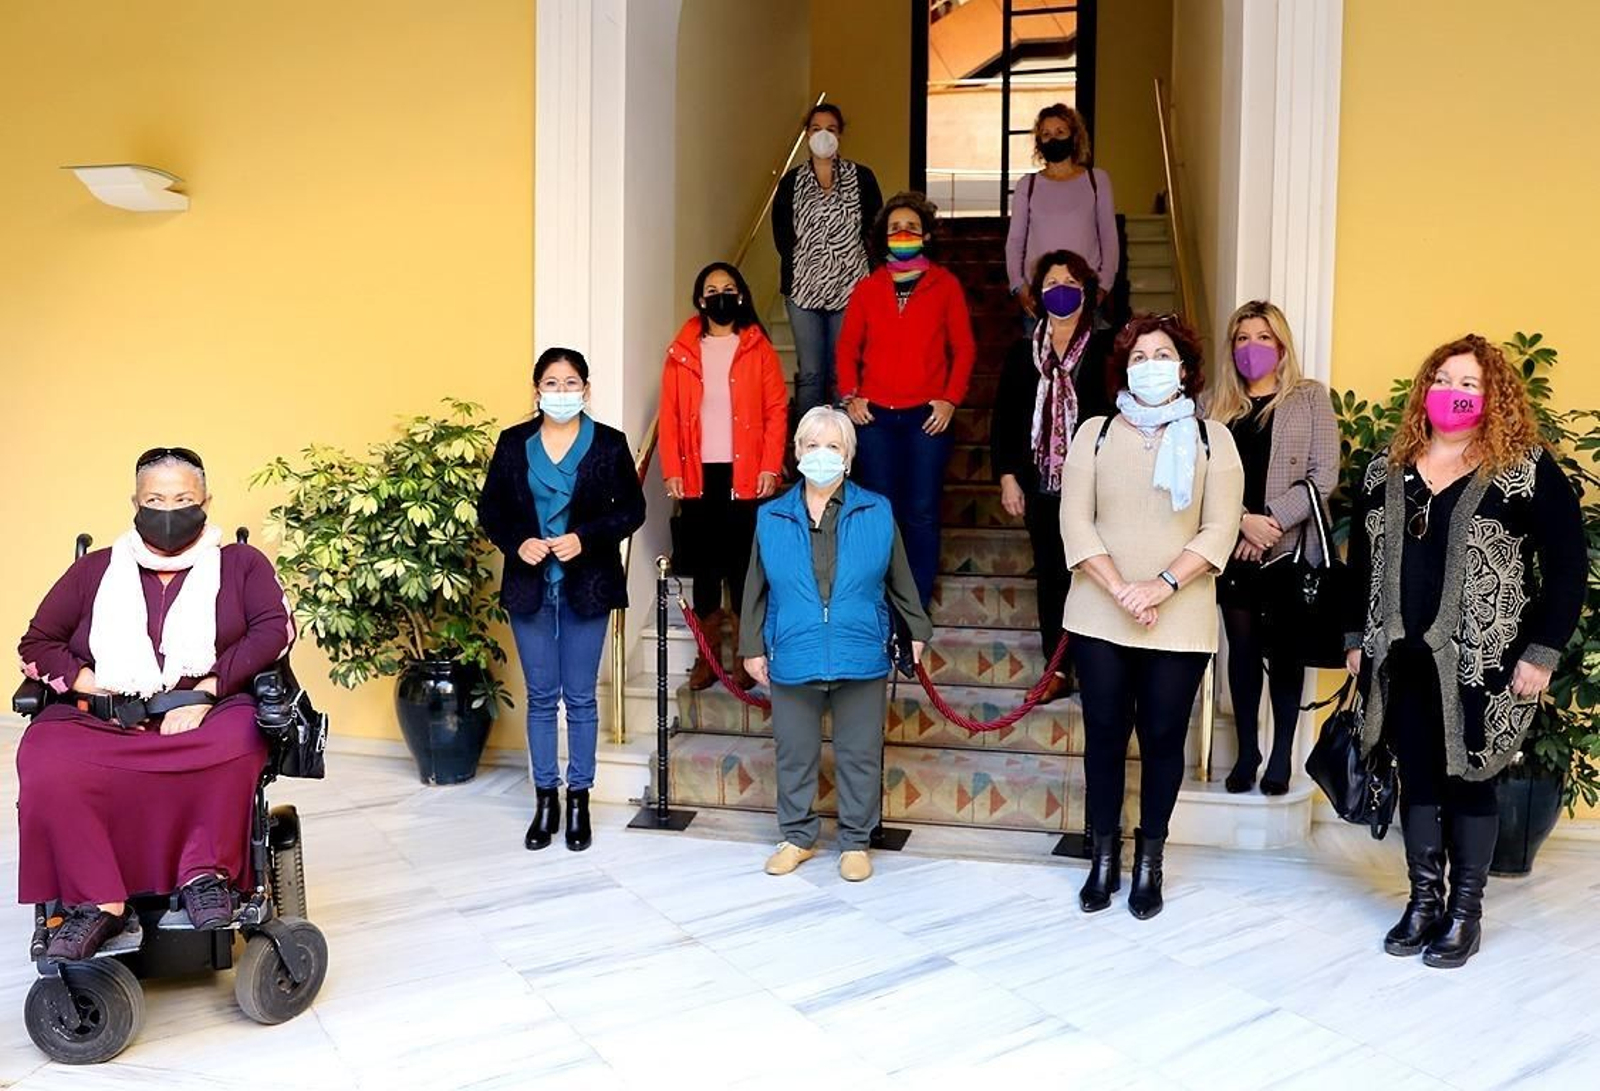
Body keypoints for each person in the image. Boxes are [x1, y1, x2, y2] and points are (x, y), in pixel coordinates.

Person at [1345, 335, 1583, 968]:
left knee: (1472, 778)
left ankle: (1465, 913)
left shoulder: (1525, 471)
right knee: (1416, 777)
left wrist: (1541, 651)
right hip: (1399, 659)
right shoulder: (1382, 470)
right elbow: (1359, 565)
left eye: (1470, 383)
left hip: (1484, 660)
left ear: (1493, 395)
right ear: (1425, 388)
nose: (1454, 391)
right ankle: (1423, 901)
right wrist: (1353, 642)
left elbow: (1567, 567)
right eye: (1444, 378)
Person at [16, 447, 292, 962]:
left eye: (183, 498)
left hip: (204, 712)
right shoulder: (96, 570)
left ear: (207, 500)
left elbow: (275, 629)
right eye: (155, 499)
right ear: (135, 503)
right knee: (44, 755)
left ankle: (204, 874)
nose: (169, 511)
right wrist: (82, 677)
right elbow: (36, 643)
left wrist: (209, 689)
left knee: (241, 735)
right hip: (106, 716)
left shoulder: (241, 564)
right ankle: (100, 901)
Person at [1060, 314, 1243, 919]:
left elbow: (1220, 529)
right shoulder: (1094, 433)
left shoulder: (1214, 439)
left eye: (1162, 355)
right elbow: (1075, 521)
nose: (1151, 365)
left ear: (1184, 368)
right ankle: (1103, 856)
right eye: (1139, 356)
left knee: (1164, 739)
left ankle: (1150, 860)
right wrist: (1121, 588)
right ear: (1125, 368)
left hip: (1180, 616)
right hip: (1098, 611)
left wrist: (1158, 587)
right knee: (1106, 736)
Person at [739, 407, 932, 883]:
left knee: (860, 752)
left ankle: (855, 841)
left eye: (834, 447)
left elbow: (901, 579)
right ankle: (798, 837)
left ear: (848, 457)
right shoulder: (771, 516)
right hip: (794, 650)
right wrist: (751, 646)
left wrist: (918, 631)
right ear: (797, 451)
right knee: (794, 752)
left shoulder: (876, 510)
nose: (822, 455)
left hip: (860, 649)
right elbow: (754, 587)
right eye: (812, 445)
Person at [479, 348, 646, 854]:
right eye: (550, 384)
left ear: (586, 390)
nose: (560, 392)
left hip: (587, 584)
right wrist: (517, 542)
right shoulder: (512, 444)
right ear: (536, 391)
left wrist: (586, 538)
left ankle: (579, 799)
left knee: (580, 697)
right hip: (531, 586)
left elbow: (632, 511)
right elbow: (491, 510)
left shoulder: (610, 444)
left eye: (570, 383)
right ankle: (544, 798)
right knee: (540, 697)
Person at [1207, 301, 1339, 795]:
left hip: (1288, 549)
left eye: (1263, 337)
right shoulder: (1214, 407)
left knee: (1286, 655)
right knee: (1240, 654)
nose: (1252, 348)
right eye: (1242, 338)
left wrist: (1271, 522)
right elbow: (1200, 480)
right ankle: (1248, 752)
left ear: (1281, 345)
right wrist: (1242, 522)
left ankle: (1282, 755)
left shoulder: (1309, 399)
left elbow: (1323, 474)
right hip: (1233, 549)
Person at [838, 191, 975, 606]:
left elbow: (964, 348)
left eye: (912, 228)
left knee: (921, 512)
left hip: (926, 420)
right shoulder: (867, 288)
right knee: (879, 513)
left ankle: (913, 606)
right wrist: (850, 396)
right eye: (895, 228)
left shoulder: (945, 285)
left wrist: (950, 399)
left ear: (926, 236)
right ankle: (879, 600)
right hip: (874, 419)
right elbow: (846, 349)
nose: (903, 233)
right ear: (883, 237)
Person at [990, 248, 1114, 703]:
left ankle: (1096, 667)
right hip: (1039, 482)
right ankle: (1057, 668)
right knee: (1051, 574)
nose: (1060, 291)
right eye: (1050, 284)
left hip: (1096, 484)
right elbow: (1004, 417)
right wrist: (1007, 476)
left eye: (1070, 282)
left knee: (1094, 573)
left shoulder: (1107, 347)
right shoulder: (1024, 352)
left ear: (1088, 292)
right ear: (1037, 295)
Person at [659, 262, 788, 692]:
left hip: (745, 475)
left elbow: (775, 411)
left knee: (741, 571)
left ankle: (745, 657)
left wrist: (771, 464)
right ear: (700, 299)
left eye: (729, 288)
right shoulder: (682, 351)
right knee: (706, 573)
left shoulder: (758, 347)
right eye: (712, 289)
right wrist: (673, 469)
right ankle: (707, 657)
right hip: (698, 477)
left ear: (741, 295)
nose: (720, 295)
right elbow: (671, 416)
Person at [772, 102, 883, 419]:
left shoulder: (862, 178)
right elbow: (781, 234)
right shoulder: (791, 182)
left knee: (842, 372)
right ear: (807, 134)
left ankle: (841, 446)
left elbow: (875, 230)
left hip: (851, 289)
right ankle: (810, 449)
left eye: (831, 129)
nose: (823, 135)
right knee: (810, 374)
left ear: (841, 135)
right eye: (816, 128)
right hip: (803, 291)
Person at [1004, 104, 1119, 326]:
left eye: (1060, 132)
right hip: (1040, 297)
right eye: (1046, 134)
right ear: (1039, 142)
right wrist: (1019, 286)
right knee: (1038, 360)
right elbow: (1015, 241)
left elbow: (1108, 237)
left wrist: (1104, 286)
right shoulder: (1027, 185)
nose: (1053, 139)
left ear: (1074, 137)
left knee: (1088, 360)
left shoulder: (1097, 181)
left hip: (1086, 295)